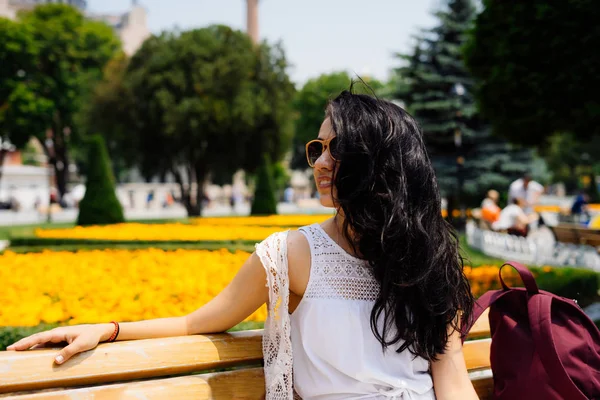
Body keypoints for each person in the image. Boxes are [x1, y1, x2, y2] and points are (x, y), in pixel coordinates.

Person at [7, 91, 478, 400]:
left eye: (338, 149)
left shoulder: (424, 260)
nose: (321, 162)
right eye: (318, 148)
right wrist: (106, 330)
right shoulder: (293, 254)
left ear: (380, 164)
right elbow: (197, 322)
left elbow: (451, 377)